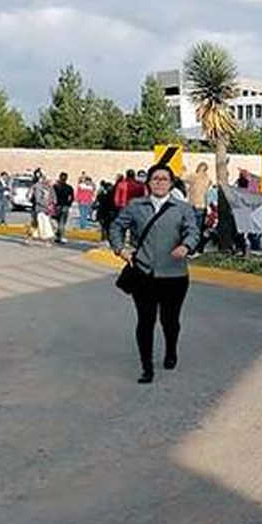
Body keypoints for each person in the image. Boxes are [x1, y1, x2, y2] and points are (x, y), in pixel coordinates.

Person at [109, 165, 200, 384]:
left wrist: (186, 246)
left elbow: (193, 231)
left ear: (171, 183)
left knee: (170, 321)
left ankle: (171, 350)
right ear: (148, 182)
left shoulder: (182, 208)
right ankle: (146, 366)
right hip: (144, 273)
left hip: (174, 275)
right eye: (155, 179)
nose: (160, 182)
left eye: (164, 179)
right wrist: (120, 249)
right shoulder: (135, 206)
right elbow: (116, 227)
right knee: (145, 321)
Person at [30, 174, 56, 245]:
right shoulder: (39, 187)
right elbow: (38, 199)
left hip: (47, 210)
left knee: (43, 224)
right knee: (44, 224)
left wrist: (52, 204)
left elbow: (53, 197)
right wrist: (46, 205)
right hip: (40, 209)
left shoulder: (50, 188)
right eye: (48, 181)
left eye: (50, 181)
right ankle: (46, 239)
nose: (49, 182)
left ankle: (33, 237)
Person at [52, 172, 75, 244]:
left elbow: (52, 196)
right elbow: (72, 198)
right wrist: (69, 204)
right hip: (65, 206)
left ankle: (58, 235)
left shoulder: (55, 187)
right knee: (62, 223)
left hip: (57, 206)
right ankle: (60, 236)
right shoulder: (69, 187)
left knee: (56, 221)